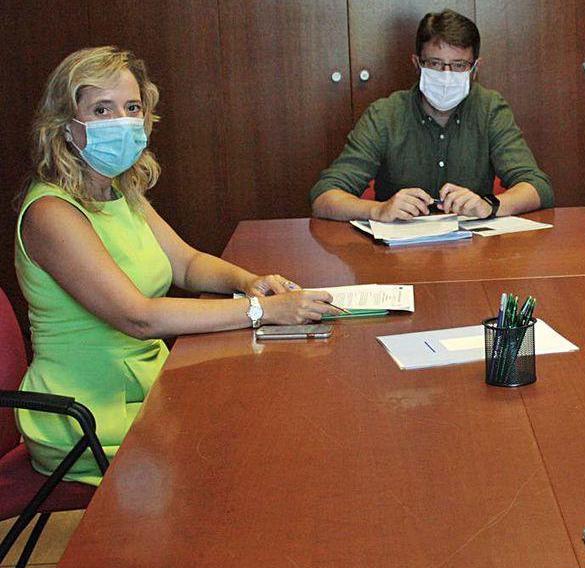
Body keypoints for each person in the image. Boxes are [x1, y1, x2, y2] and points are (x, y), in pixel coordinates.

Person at [15, 47, 338, 485]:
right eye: (101, 109)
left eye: (131, 108)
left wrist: (251, 283)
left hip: (145, 387)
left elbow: (186, 263)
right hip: (85, 418)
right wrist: (260, 312)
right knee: (241, 449)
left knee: (261, 416)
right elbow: (139, 317)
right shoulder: (51, 213)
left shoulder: (119, 192)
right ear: (65, 126)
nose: (122, 121)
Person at [310, 9, 553, 222]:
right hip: (395, 257)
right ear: (417, 64)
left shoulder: (490, 109)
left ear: (475, 69)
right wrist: (378, 210)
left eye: (459, 65)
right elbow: (324, 196)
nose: (447, 75)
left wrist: (489, 206)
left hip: (473, 254)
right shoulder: (384, 114)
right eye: (436, 64)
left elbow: (537, 186)